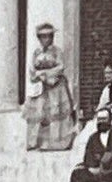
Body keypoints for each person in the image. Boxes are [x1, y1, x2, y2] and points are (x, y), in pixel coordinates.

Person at [26, 21, 77, 151]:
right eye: (43, 37)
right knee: (41, 113)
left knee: (56, 112)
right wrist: (36, 75)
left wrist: (45, 73)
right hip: (42, 87)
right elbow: (32, 68)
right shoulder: (36, 52)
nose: (46, 39)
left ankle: (58, 142)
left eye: (49, 36)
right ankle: (39, 142)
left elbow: (60, 67)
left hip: (56, 86)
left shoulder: (57, 51)